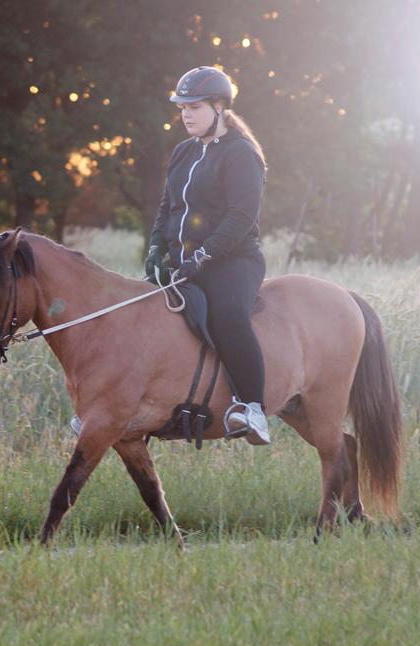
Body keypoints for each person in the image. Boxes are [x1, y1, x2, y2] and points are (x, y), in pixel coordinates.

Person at [144, 65, 271, 445]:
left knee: (229, 316)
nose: (185, 113)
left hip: (233, 261)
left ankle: (252, 408)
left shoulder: (241, 154)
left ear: (219, 106)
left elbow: (240, 217)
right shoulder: (184, 152)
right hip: (184, 263)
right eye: (182, 106)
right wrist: (154, 247)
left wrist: (202, 257)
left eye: (194, 106)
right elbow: (168, 207)